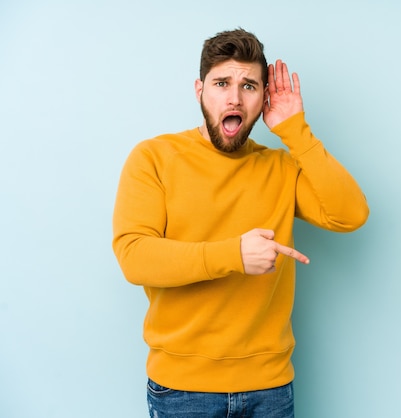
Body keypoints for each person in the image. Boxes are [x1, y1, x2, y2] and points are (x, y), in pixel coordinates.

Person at [112, 28, 368, 417]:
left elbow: (350, 214)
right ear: (200, 90)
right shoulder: (154, 158)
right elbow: (135, 257)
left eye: (249, 85)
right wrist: (233, 254)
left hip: (270, 388)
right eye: (221, 83)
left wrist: (295, 131)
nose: (234, 97)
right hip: (183, 390)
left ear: (264, 98)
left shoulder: (281, 167)